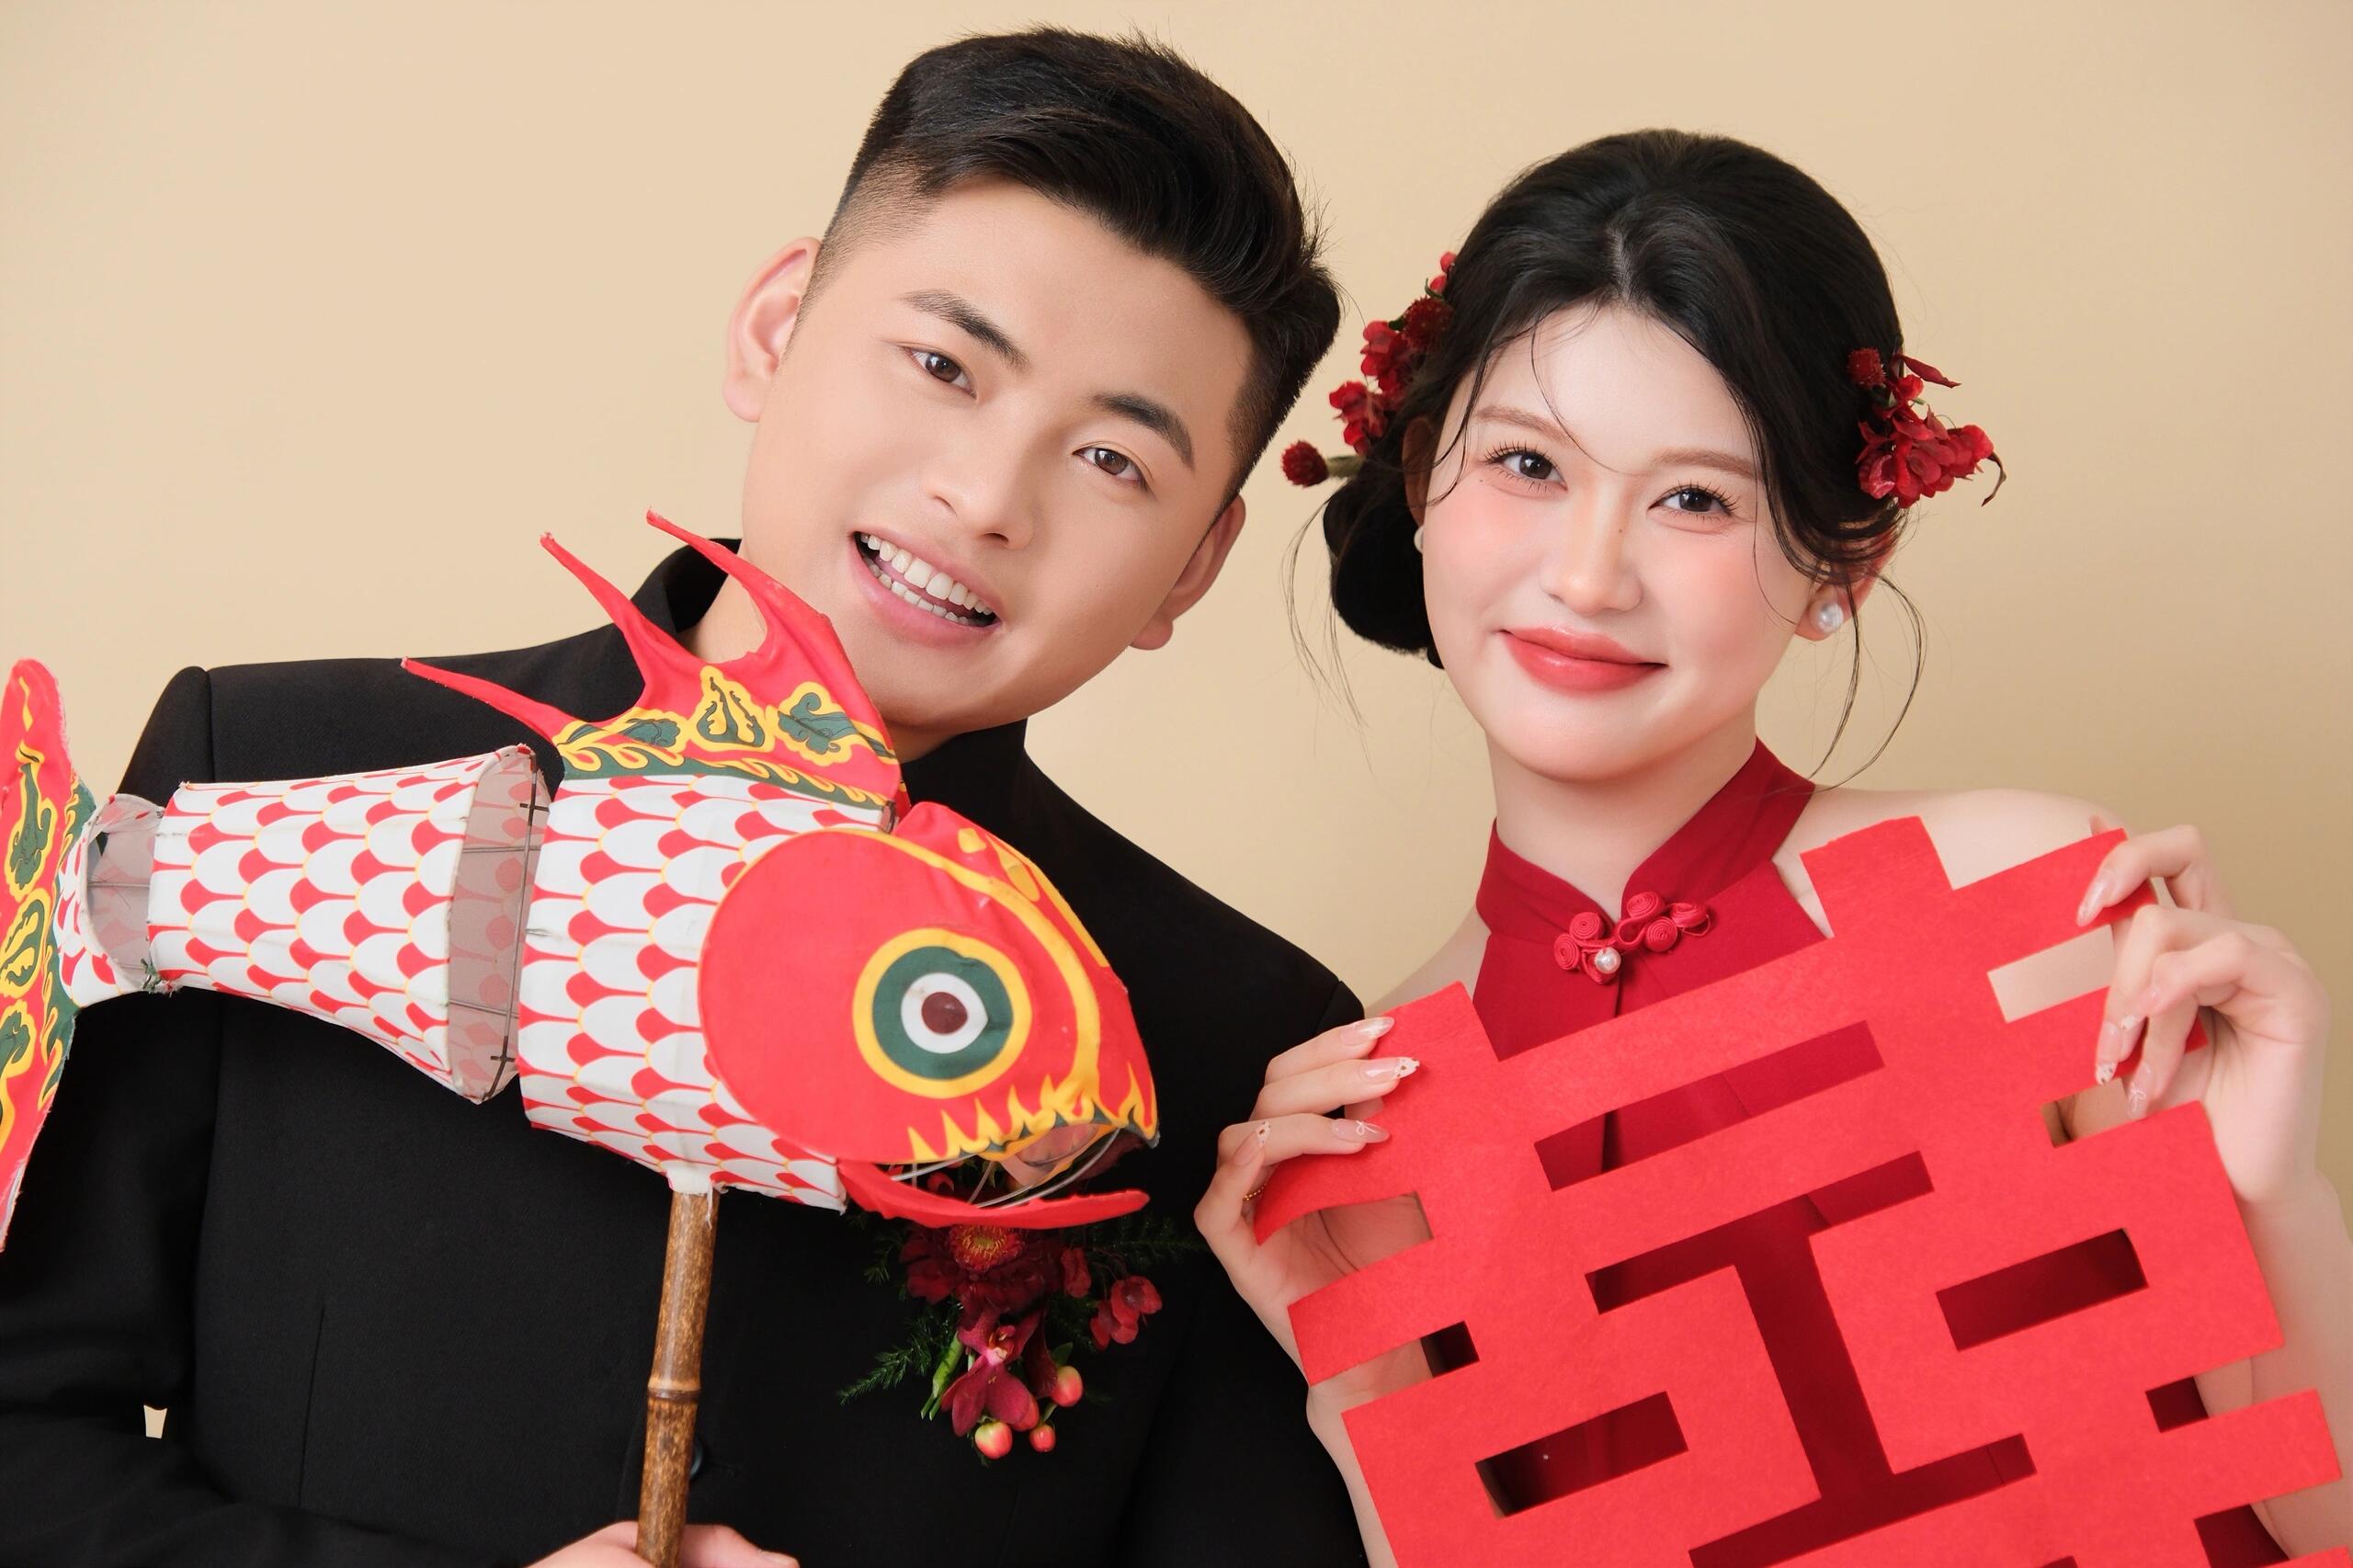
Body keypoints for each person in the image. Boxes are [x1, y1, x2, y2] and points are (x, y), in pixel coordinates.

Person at [0, 29, 1370, 1568]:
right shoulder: (259, 772)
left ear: (1193, 565)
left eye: (1113, 458)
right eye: (942, 367)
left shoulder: (1232, 1045)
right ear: (776, 330)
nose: (986, 498)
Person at [1199, 129, 2349, 1565]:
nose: (1587, 574)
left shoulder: (2020, 904)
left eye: (1696, 497)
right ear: (1423, 475)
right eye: (1527, 463)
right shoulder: (1375, 1100)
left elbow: (2313, 1514)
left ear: (1841, 565)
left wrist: (2271, 1195)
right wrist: (1364, 1381)